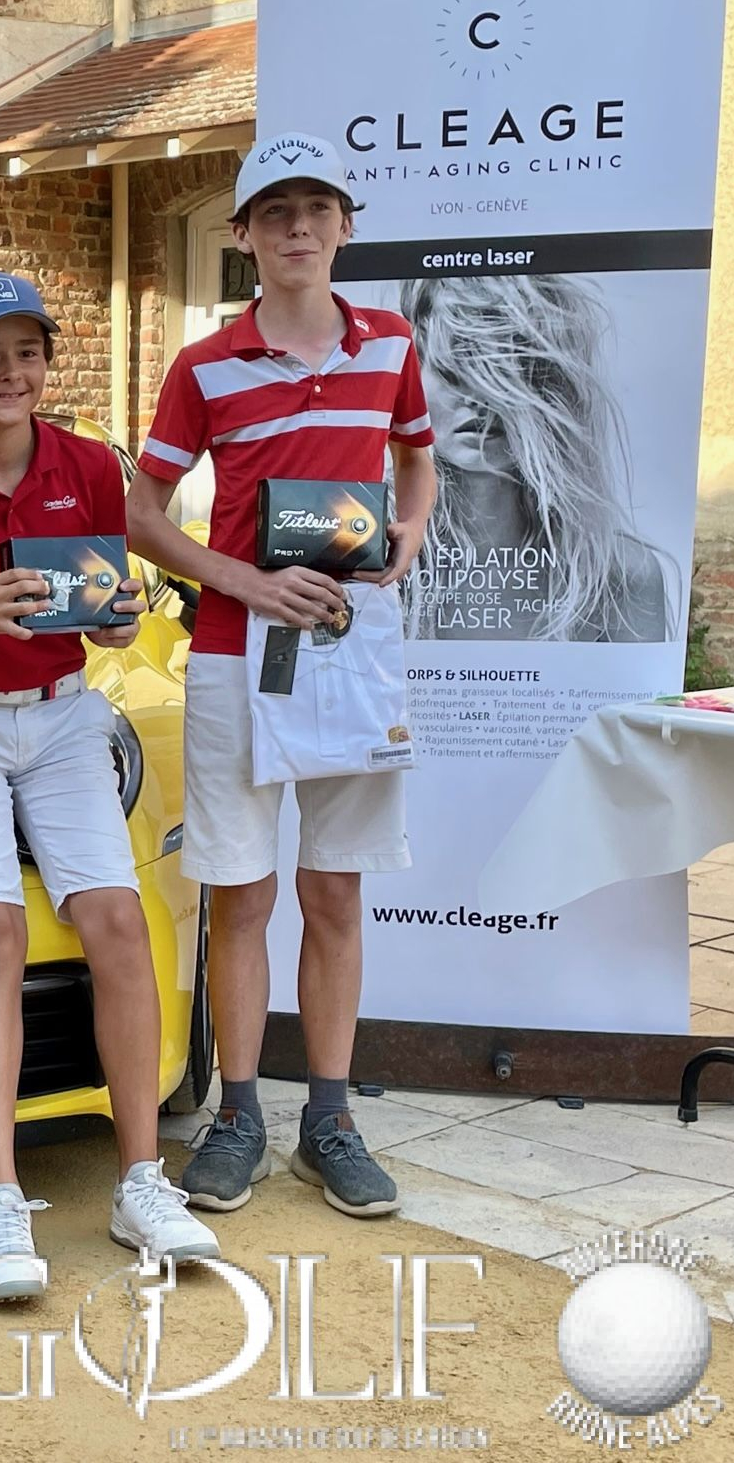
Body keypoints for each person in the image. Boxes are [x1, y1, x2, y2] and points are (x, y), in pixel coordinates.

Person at [0, 270, 221, 1302]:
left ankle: (140, 1180)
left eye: (27, 352)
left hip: (63, 716)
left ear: (48, 364)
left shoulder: (88, 466)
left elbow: (106, 622)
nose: (10, 373)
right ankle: (0, 1198)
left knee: (117, 920)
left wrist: (116, 620)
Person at [125, 132, 438, 1220]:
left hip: (350, 645)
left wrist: (409, 528)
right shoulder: (204, 365)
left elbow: (417, 458)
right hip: (231, 654)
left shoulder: (390, 343)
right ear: (243, 234)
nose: (297, 227)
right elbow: (141, 514)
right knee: (242, 893)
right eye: (275, 211)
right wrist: (247, 583)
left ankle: (331, 1121)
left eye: (316, 208)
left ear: (345, 225)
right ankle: (240, 1117)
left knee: (334, 889)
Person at [398, 272, 672, 643]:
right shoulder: (380, 559)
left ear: (552, 385)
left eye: (507, 368)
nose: (478, 397)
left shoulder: (621, 577)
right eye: (454, 369)